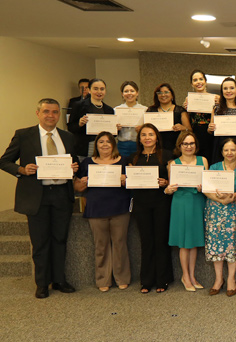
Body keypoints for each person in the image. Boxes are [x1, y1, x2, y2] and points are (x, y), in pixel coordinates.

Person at [0, 98, 78, 298]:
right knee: (40, 241)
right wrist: (22, 169)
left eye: (54, 112)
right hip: (37, 196)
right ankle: (42, 283)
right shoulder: (24, 135)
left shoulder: (67, 137)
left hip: (61, 194)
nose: (50, 115)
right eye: (46, 112)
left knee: (60, 239)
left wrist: (74, 168)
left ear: (59, 115)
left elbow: (74, 162)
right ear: (38, 113)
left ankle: (59, 280)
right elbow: (4, 161)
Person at [74, 131, 131, 292]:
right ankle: (102, 279)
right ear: (96, 145)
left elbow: (133, 184)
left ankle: (122, 277)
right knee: (101, 246)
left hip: (120, 207)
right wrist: (82, 183)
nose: (105, 144)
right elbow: (77, 187)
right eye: (101, 142)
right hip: (96, 208)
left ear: (113, 145)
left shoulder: (124, 161)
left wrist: (126, 180)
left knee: (120, 244)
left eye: (108, 142)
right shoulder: (86, 163)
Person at [129, 123, 173, 293]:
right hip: (141, 204)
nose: (147, 138)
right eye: (143, 135)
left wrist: (166, 182)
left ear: (157, 137)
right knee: (146, 242)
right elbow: (130, 181)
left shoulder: (167, 155)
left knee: (161, 241)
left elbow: (173, 179)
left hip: (161, 202)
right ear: (139, 139)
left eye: (151, 134)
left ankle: (163, 279)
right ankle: (146, 280)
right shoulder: (133, 158)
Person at [165, 132, 208, 292]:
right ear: (180, 146)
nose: (188, 147)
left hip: (197, 201)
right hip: (181, 202)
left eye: (191, 143)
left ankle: (192, 275)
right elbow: (169, 188)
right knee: (184, 242)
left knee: (194, 240)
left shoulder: (202, 160)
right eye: (185, 144)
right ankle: (185, 276)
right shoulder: (173, 164)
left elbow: (207, 184)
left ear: (195, 145)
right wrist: (168, 190)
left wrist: (203, 187)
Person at [203, 139, 236, 297]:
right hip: (215, 211)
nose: (229, 153)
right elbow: (206, 190)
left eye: (233, 150)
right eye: (226, 150)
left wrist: (235, 197)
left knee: (232, 244)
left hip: (234, 212)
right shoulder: (214, 168)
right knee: (216, 244)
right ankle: (218, 279)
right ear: (221, 152)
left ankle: (231, 279)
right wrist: (221, 199)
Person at [209, 77, 236, 165]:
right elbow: (210, 130)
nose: (228, 91)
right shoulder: (216, 108)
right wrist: (210, 128)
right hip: (221, 144)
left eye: (232, 88)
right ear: (222, 92)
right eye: (225, 88)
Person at [68, 78, 114, 158]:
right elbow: (70, 127)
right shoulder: (78, 106)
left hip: (104, 148)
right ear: (89, 90)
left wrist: (117, 129)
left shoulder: (109, 110)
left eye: (102, 89)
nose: (99, 92)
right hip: (85, 148)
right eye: (95, 89)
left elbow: (111, 134)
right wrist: (79, 123)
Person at [146, 83, 191, 153]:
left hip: (175, 148)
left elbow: (190, 130)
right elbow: (146, 129)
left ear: (172, 95)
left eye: (166, 92)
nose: (163, 95)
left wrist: (183, 128)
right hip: (155, 148)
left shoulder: (180, 110)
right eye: (160, 93)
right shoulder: (151, 110)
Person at [185, 70, 217, 163]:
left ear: (205, 81)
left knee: (210, 159)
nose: (198, 82)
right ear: (192, 84)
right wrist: (186, 109)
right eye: (195, 80)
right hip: (196, 134)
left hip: (210, 134)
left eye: (201, 79)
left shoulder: (215, 97)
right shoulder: (188, 99)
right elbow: (188, 119)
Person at [114, 81, 147, 157]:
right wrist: (116, 129)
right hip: (122, 145)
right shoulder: (116, 110)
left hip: (139, 144)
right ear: (122, 94)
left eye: (132, 91)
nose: (129, 93)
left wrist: (142, 129)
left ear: (137, 93)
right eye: (126, 91)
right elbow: (111, 132)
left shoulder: (144, 110)